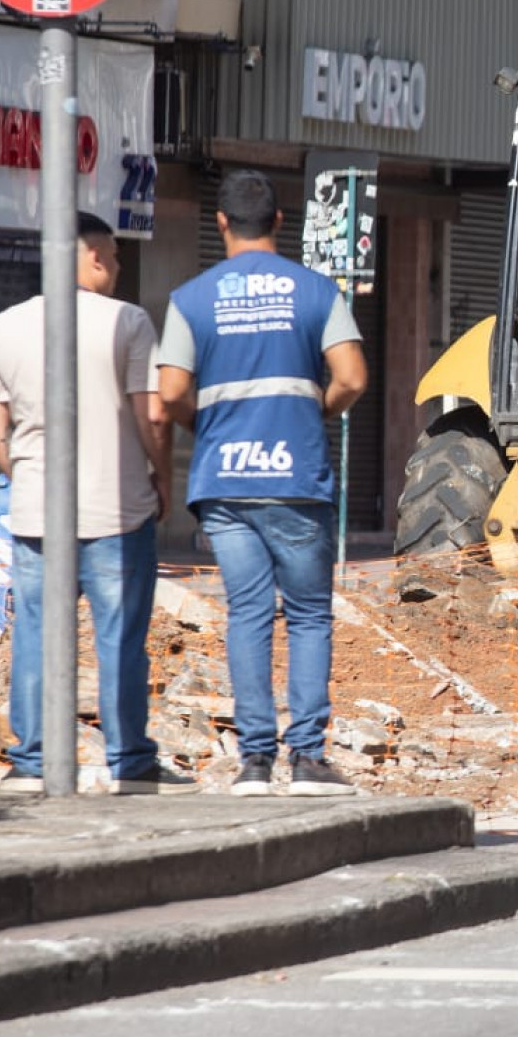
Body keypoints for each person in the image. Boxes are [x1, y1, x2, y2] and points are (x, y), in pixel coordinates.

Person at [157, 170, 368, 798]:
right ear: (280, 223)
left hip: (225, 482)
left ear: (220, 223)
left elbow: (168, 392)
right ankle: (306, 759)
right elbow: (353, 377)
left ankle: (254, 763)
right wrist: (317, 410)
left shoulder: (191, 299)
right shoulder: (315, 291)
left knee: (247, 613)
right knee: (306, 615)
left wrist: (208, 421)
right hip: (296, 477)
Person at [0, 213, 190, 795]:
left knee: (36, 636)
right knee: (120, 637)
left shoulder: (2, 325)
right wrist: (161, 477)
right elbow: (152, 415)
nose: (118, 268)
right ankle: (130, 762)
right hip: (117, 510)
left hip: (35, 513)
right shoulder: (128, 320)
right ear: (94, 257)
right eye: (116, 257)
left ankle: (30, 761)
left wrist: (21, 472)